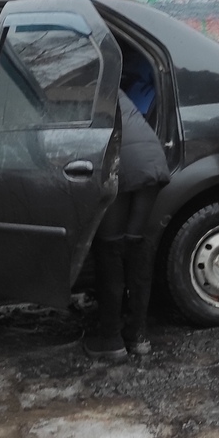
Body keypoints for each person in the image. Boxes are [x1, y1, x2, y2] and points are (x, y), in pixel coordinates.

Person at [84, 87, 170, 362]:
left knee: (109, 248)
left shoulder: (84, 83)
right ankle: (137, 335)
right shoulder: (115, 87)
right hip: (152, 159)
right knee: (135, 245)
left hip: (123, 163)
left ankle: (110, 339)